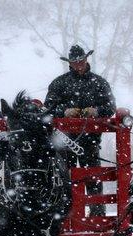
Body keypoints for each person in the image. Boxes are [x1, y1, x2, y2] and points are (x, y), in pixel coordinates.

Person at [45, 45, 116, 216]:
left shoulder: (99, 82)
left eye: (81, 61)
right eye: (75, 62)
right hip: (62, 140)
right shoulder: (59, 83)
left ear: (86, 59)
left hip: (90, 140)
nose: (78, 64)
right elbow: (48, 107)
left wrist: (97, 111)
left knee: (93, 178)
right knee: (63, 178)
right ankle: (64, 215)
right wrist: (64, 112)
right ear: (69, 63)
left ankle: (97, 214)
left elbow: (111, 107)